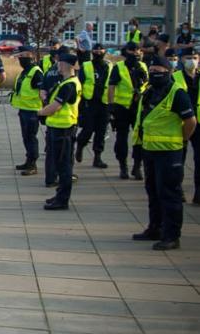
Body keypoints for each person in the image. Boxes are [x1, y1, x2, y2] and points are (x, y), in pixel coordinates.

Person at [131, 56, 197, 250]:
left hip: (169, 153)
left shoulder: (177, 93)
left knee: (170, 195)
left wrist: (182, 140)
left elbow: (190, 122)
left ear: (168, 71)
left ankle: (172, 235)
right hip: (149, 150)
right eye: (152, 70)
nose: (154, 73)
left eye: (159, 70)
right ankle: (155, 228)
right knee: (153, 192)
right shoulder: (149, 91)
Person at [38, 52, 81, 210]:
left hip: (63, 129)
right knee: (59, 163)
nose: (58, 66)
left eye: (60, 63)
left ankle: (62, 200)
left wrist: (40, 113)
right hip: (58, 128)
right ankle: (59, 194)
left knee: (64, 166)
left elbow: (55, 106)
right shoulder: (65, 83)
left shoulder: (69, 85)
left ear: (65, 65)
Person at [108, 42, 148, 179]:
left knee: (139, 138)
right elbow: (112, 86)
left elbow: (148, 84)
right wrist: (111, 105)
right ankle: (123, 166)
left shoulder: (142, 66)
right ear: (127, 52)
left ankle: (137, 166)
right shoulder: (118, 67)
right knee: (121, 138)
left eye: (137, 50)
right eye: (132, 50)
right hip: (122, 108)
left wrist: (143, 81)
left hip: (139, 107)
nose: (135, 53)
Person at [75, 43, 111, 169]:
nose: (98, 51)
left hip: (104, 103)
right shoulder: (86, 65)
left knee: (101, 132)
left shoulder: (109, 66)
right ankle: (80, 145)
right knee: (88, 129)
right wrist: (79, 104)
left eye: (101, 49)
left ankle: (97, 157)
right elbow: (80, 83)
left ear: (105, 51)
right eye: (96, 49)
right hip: (89, 102)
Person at [10, 45, 43, 175]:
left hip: (32, 110)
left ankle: (33, 164)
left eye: (23, 56)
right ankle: (28, 160)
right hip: (24, 109)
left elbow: (42, 91)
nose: (20, 59)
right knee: (26, 137)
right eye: (20, 56)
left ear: (31, 56)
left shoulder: (36, 72)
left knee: (31, 137)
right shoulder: (24, 72)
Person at [178, 49, 200, 204]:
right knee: (179, 159)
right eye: (188, 57)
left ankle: (198, 192)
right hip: (180, 124)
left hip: (199, 124)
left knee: (199, 160)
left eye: (194, 57)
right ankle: (178, 190)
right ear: (181, 59)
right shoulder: (175, 78)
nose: (191, 60)